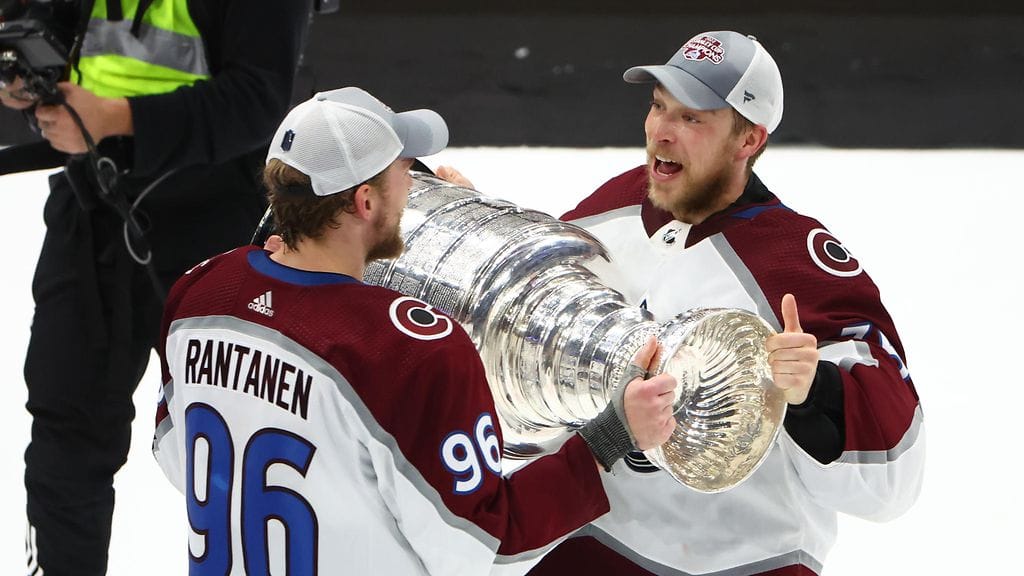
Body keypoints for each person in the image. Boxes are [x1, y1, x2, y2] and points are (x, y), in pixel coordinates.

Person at [153, 86, 678, 574]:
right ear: (364, 202)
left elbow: (177, 455)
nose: (418, 185)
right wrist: (611, 436)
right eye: (406, 173)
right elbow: (485, 540)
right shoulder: (413, 351)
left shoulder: (200, 292)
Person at [526, 31, 926, 576]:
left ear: (748, 140)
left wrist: (814, 393)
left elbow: (896, 471)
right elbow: (527, 311)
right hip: (596, 540)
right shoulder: (616, 204)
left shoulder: (796, 262)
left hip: (746, 561)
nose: (661, 133)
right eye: (658, 107)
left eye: (692, 119)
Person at [1, 1, 314, 573]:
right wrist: (30, 73)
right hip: (92, 209)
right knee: (65, 432)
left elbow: (258, 101)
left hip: (218, 229)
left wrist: (116, 118)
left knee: (246, 444)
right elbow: (54, 23)